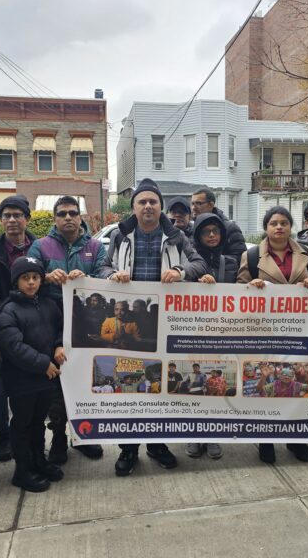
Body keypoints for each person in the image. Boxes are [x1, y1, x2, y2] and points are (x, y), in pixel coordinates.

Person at [99, 178, 209, 476]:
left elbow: (199, 265)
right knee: (129, 382)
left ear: (160, 207)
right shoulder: (121, 237)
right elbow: (102, 268)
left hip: (166, 322)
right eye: (142, 202)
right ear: (133, 208)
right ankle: (128, 448)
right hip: (130, 325)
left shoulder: (177, 237)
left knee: (158, 383)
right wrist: (113, 275)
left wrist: (179, 270)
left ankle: (157, 444)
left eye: (153, 202)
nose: (148, 206)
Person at [237, 205, 308, 464]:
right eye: (273, 223)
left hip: (300, 330)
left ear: (291, 227)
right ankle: (266, 440)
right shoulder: (252, 255)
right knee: (268, 385)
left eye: (284, 223)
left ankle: (295, 439)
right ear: (266, 228)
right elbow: (238, 289)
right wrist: (250, 287)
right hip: (265, 331)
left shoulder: (307, 253)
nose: (279, 227)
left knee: (296, 384)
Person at [28, 195, 107, 463]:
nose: (68, 218)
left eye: (73, 213)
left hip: (88, 327)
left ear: (80, 216)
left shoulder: (96, 247)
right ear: (55, 218)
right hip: (50, 327)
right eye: (62, 214)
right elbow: (27, 279)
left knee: (87, 385)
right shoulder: (40, 247)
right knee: (57, 389)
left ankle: (83, 437)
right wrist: (46, 277)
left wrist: (89, 279)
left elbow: (104, 277)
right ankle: (59, 437)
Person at [0, 256, 65, 492]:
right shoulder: (9, 310)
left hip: (46, 379)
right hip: (22, 381)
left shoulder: (47, 304)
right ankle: (22, 470)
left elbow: (59, 328)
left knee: (38, 423)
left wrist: (58, 345)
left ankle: (39, 461)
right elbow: (13, 347)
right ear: (16, 282)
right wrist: (43, 363)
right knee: (22, 425)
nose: (32, 283)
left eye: (35, 277)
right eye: (26, 278)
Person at [0, 195, 36, 463]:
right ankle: (1, 437)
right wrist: (7, 319)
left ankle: (30, 435)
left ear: (27, 218)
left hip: (35, 325)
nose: (12, 220)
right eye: (6, 216)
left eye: (17, 215)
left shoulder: (40, 248)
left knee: (31, 387)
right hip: (0, 326)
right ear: (0, 221)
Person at [191, 188, 246, 263]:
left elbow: (241, 258)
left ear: (211, 205)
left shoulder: (230, 228)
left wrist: (213, 261)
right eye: (192, 204)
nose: (194, 208)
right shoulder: (192, 228)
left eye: (199, 203)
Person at [193, 213, 239, 284]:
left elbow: (241, 289)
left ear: (222, 234)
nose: (212, 235)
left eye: (216, 231)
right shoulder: (191, 263)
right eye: (206, 232)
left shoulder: (231, 263)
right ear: (198, 236)